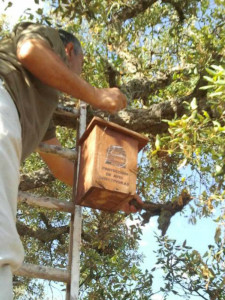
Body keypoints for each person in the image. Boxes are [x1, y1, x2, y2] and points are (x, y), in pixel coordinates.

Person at [0, 22, 142, 299]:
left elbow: (62, 168)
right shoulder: (46, 37)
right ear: (67, 50)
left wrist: (117, 195)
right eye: (80, 64)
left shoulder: (39, 107)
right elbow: (30, 51)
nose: (78, 74)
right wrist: (97, 95)